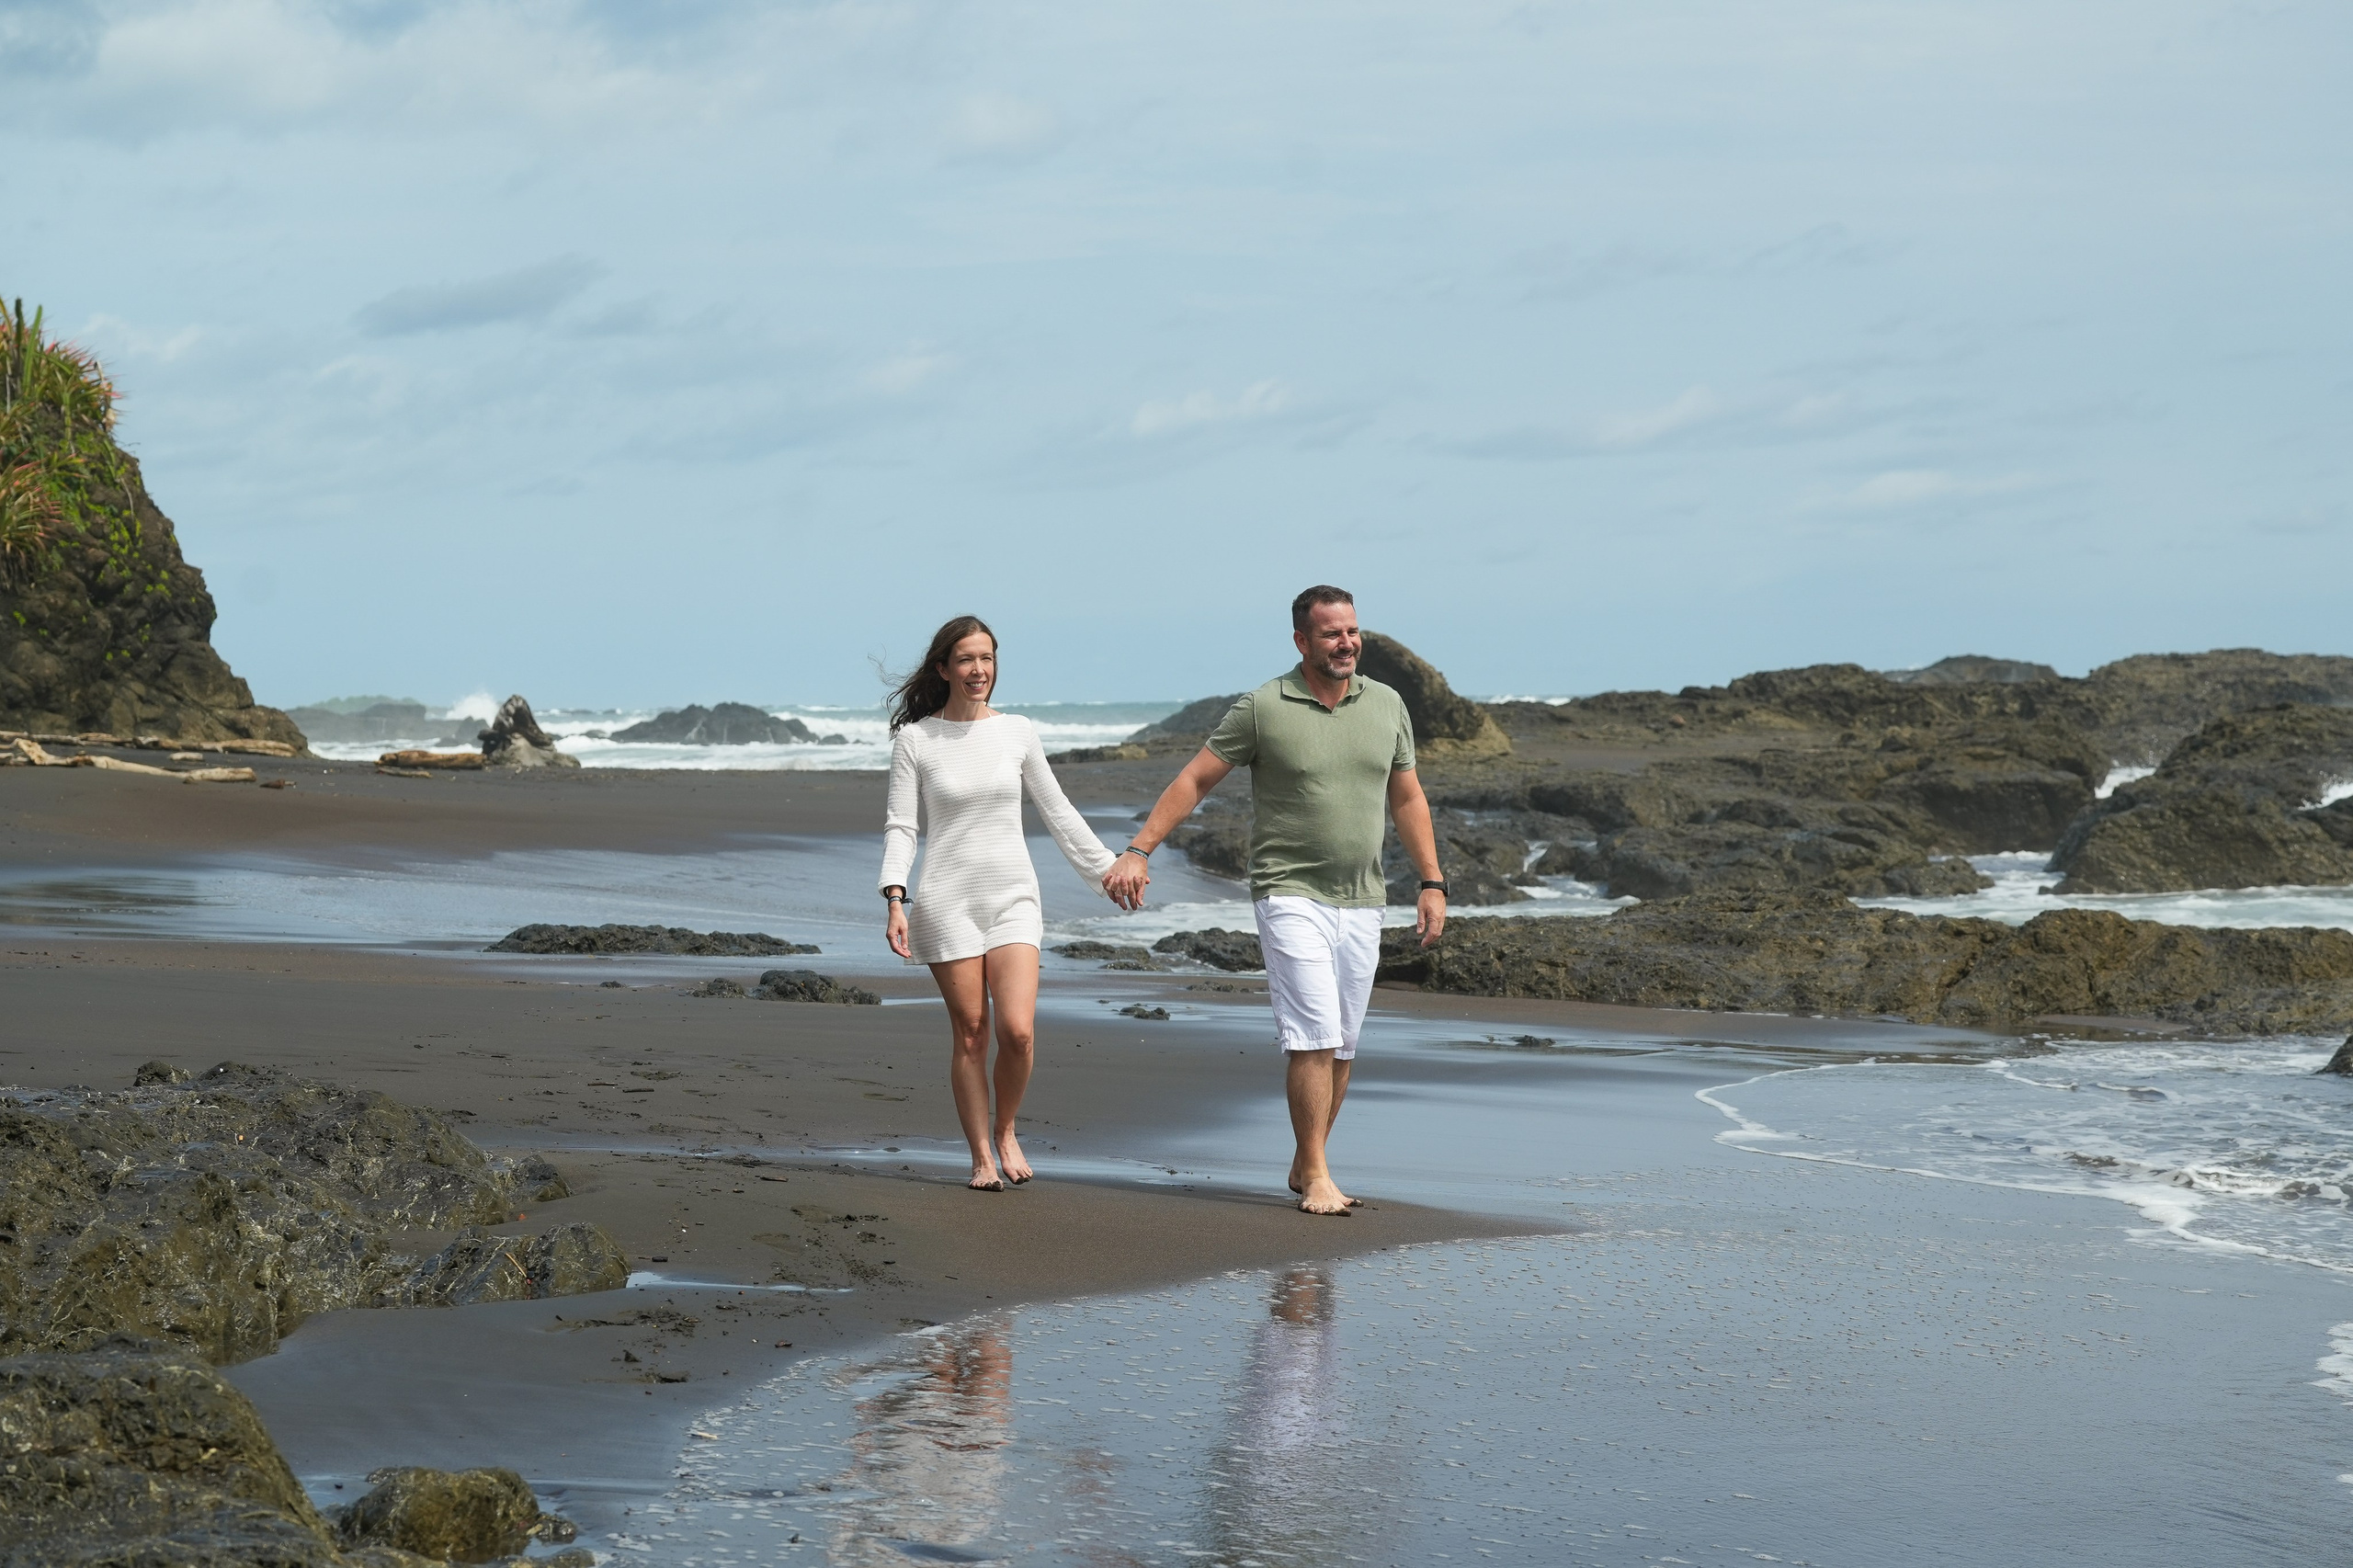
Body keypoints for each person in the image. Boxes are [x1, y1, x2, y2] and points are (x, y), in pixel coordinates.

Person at [1104, 585, 1445, 1215]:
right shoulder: (1264, 706)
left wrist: (1431, 881)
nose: (1346, 643)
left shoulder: (1388, 705)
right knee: (1313, 1034)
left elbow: (1407, 797)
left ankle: (1305, 1159)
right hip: (1289, 892)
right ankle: (1317, 1175)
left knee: (1342, 1043)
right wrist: (1139, 849)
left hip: (1364, 897)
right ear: (1302, 642)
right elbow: (1196, 778)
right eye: (1331, 634)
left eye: (1351, 631)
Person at [879, 614, 1126, 1191]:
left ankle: (1007, 1128)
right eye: (966, 659)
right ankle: (981, 1156)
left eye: (986, 658)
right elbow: (901, 826)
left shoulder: (1017, 731)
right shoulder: (917, 739)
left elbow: (1058, 811)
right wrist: (896, 897)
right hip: (946, 900)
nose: (978, 670)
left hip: (1013, 895)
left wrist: (1108, 870)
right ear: (943, 668)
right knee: (971, 1031)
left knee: (1017, 1032)